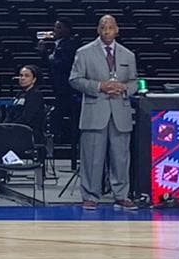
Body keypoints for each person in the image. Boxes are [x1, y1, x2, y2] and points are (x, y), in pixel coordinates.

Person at [69, 14, 139, 211]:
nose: (107, 31)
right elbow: (75, 80)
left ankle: (121, 195)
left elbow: (135, 82)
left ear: (117, 30)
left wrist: (124, 88)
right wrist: (100, 86)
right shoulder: (84, 53)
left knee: (121, 158)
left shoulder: (128, 55)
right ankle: (90, 196)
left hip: (120, 112)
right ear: (98, 30)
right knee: (92, 157)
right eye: (103, 27)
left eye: (110, 28)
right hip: (95, 112)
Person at [39, 18, 80, 156]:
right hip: (57, 87)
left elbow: (62, 64)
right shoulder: (56, 45)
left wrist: (47, 55)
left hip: (68, 88)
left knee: (63, 115)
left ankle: (64, 141)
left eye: (59, 27)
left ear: (67, 29)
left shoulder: (70, 45)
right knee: (57, 115)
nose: (55, 30)